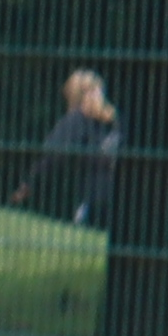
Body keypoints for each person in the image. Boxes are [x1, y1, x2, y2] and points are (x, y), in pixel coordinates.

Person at [26, 67, 125, 231]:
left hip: (92, 201)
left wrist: (29, 183)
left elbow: (53, 155)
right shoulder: (119, 123)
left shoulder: (75, 121)